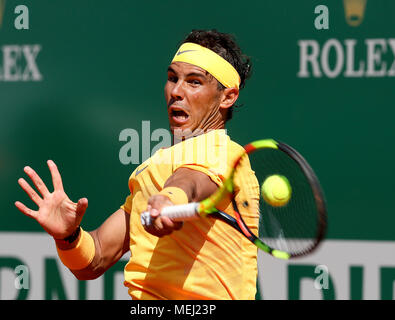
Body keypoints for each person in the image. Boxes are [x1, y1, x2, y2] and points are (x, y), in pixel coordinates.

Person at [15, 29, 259, 300]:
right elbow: (94, 259)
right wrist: (68, 236)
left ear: (227, 96)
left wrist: (169, 200)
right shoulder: (153, 167)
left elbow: (190, 182)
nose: (176, 91)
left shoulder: (225, 153)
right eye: (172, 78)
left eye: (194, 82)